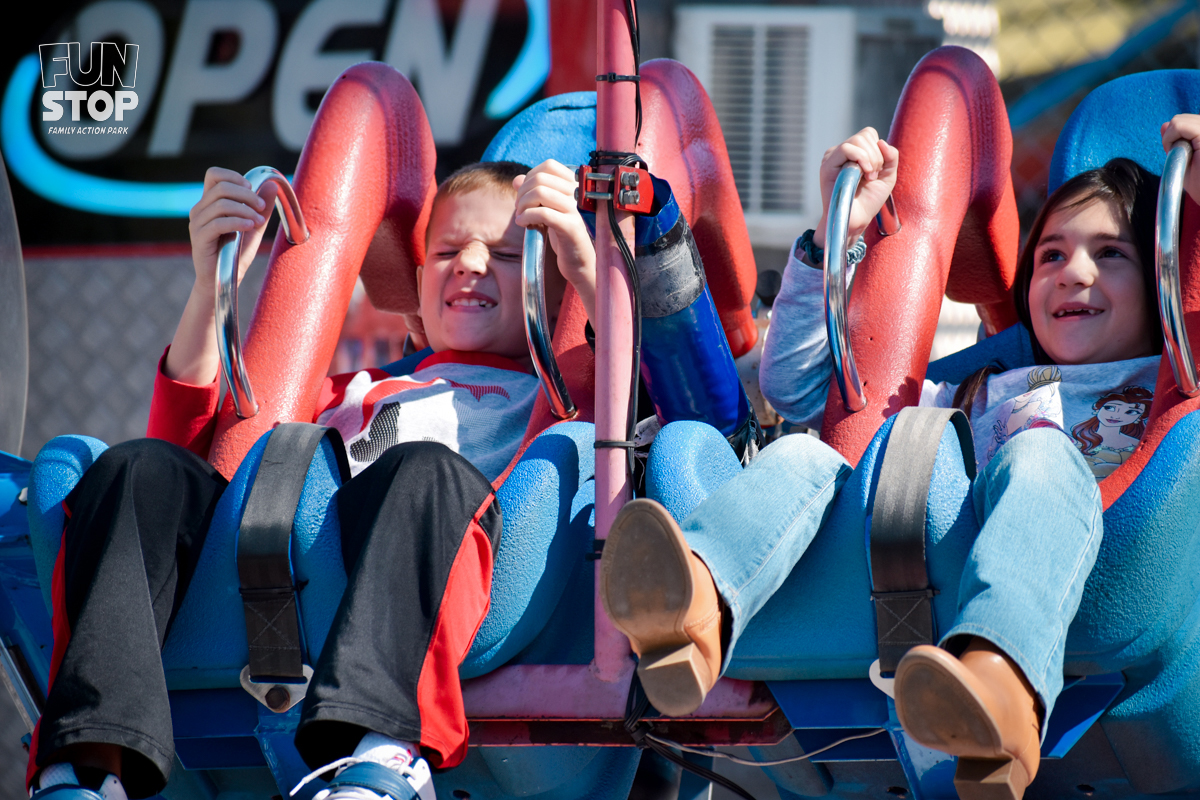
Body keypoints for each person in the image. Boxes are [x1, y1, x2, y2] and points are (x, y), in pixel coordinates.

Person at [600, 114, 1200, 800]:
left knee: (1040, 453)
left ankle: (1001, 684)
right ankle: (695, 605)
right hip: (902, 546)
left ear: (1164, 280)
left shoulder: (1173, 378)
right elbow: (800, 388)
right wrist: (837, 239)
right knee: (803, 454)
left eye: (1110, 253)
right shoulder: (979, 384)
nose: (1073, 273)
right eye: (1052, 255)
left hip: (1069, 567)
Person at [27, 159, 597, 800]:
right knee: (135, 468)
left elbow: (643, 404)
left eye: (504, 252)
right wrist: (213, 284)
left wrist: (586, 269)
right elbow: (188, 451)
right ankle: (85, 770)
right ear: (416, 282)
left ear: (550, 288)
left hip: (426, 559)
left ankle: (381, 757)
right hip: (272, 548)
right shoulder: (346, 390)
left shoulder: (560, 394)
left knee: (420, 470)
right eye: (446, 251)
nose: (468, 262)